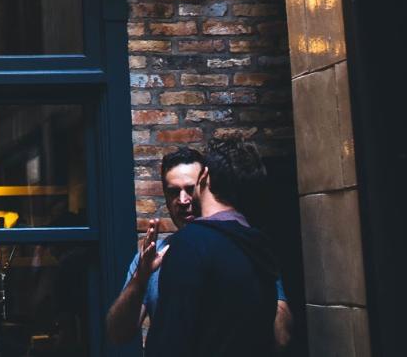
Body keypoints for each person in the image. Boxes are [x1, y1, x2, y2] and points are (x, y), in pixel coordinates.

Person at [105, 140, 291, 354]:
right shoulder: (152, 258)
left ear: (205, 183)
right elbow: (118, 334)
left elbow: (281, 336)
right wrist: (141, 278)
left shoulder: (247, 244)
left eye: (190, 189)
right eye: (174, 192)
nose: (183, 200)